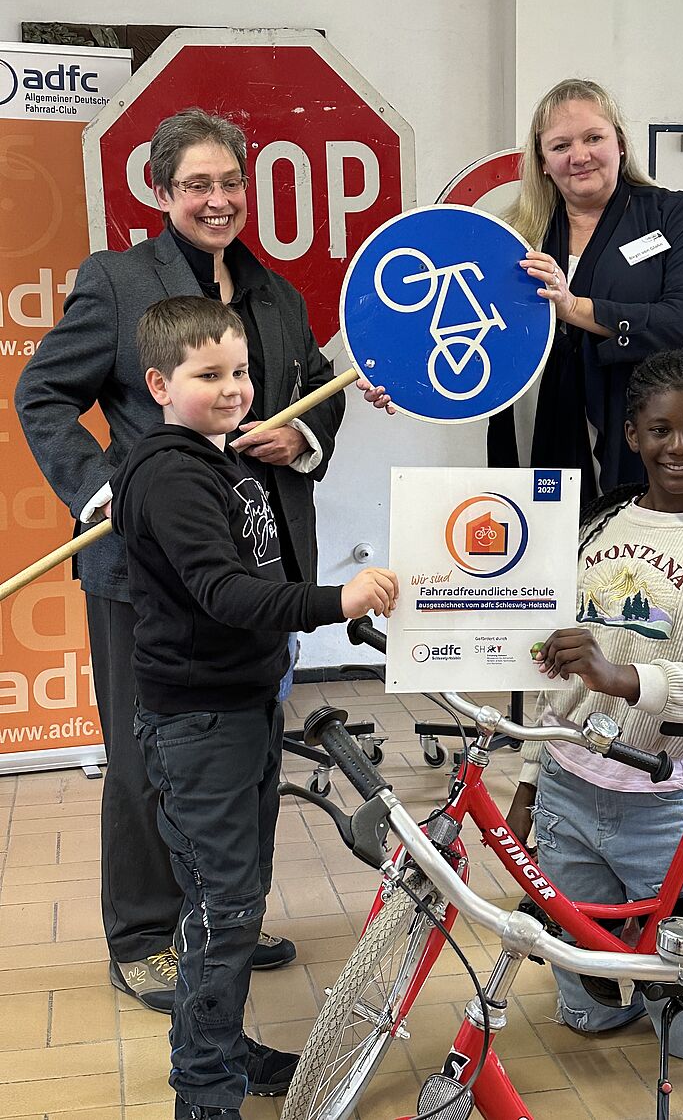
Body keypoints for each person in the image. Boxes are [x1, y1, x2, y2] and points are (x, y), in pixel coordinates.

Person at [14, 107, 388, 1012]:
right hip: (146, 574)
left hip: (257, 571)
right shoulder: (116, 282)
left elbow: (318, 394)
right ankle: (146, 934)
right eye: (196, 185)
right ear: (161, 191)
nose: (216, 200)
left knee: (248, 749)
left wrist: (301, 436)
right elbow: (42, 393)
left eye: (229, 183)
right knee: (150, 757)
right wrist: (103, 491)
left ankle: (225, 918)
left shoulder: (277, 293)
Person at [110, 296, 398, 1120]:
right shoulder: (172, 474)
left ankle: (221, 1050)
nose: (234, 389)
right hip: (198, 724)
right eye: (209, 375)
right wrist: (337, 599)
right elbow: (226, 593)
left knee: (233, 898)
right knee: (223, 906)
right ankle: (204, 1091)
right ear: (160, 384)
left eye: (239, 371)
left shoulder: (218, 455)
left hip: (241, 706)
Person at [505, 349, 683, 1058]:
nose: (678, 447)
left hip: (664, 802)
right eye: (660, 430)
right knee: (588, 1013)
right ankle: (627, 946)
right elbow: (555, 670)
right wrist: (531, 780)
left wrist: (622, 677)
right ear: (632, 434)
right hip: (568, 791)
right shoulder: (598, 524)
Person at [488, 78, 683, 509]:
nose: (579, 156)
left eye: (593, 138)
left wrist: (574, 308)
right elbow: (474, 332)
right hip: (544, 429)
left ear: (620, 143)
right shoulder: (516, 237)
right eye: (561, 145)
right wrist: (402, 381)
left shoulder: (675, 215)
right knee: (563, 547)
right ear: (543, 162)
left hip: (663, 436)